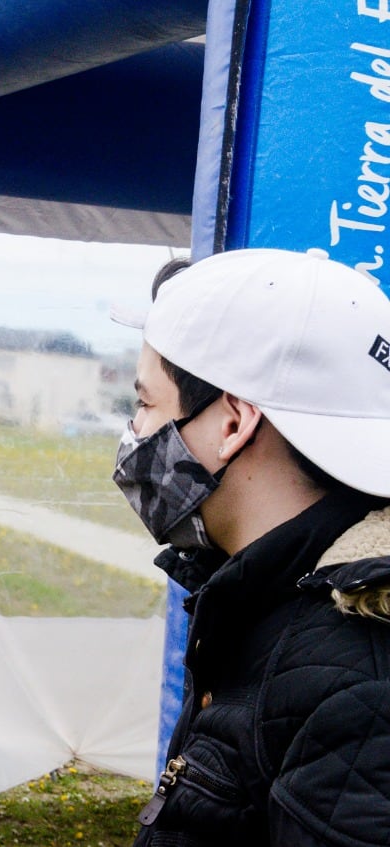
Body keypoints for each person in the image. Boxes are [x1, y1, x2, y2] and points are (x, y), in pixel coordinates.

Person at [113, 248, 390, 845]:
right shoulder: (260, 598)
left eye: (144, 404)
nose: (133, 434)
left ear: (234, 423)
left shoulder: (357, 691)